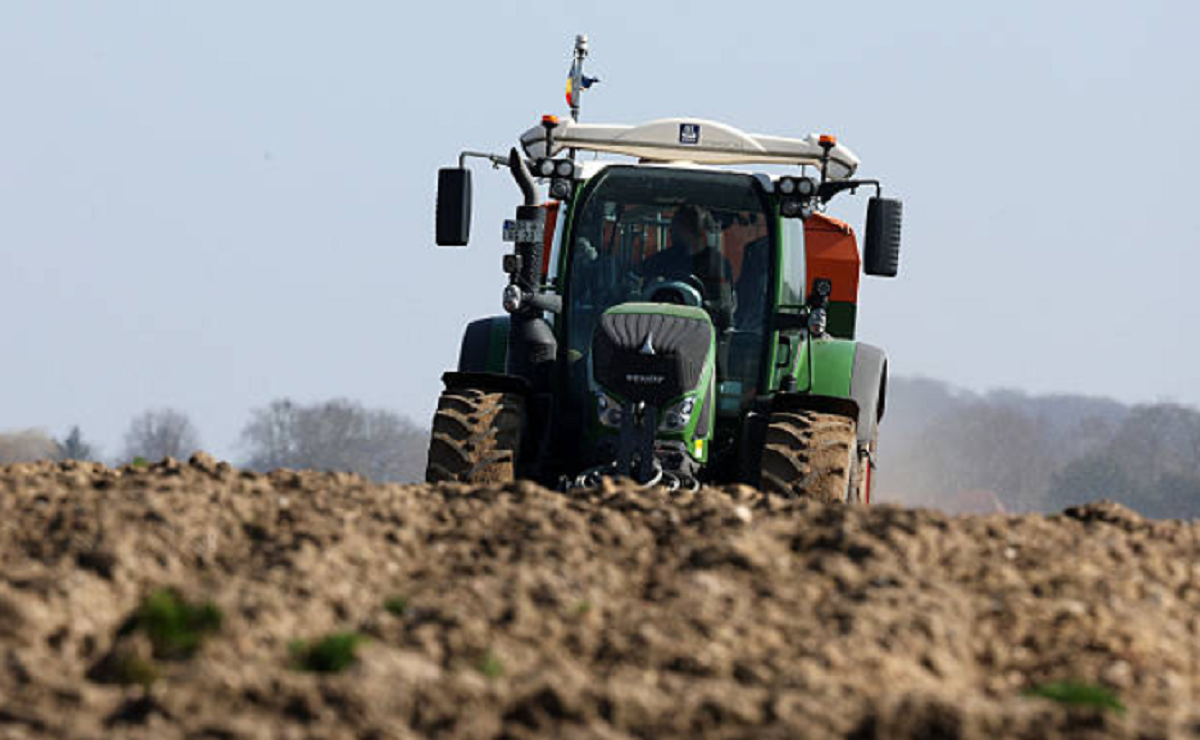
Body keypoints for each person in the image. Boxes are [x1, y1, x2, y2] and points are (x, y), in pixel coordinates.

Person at [640, 205, 736, 325]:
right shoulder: (660, 261)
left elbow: (724, 306)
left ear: (697, 231)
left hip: (703, 329)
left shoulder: (717, 264)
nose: (671, 232)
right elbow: (640, 288)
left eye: (678, 227)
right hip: (658, 325)